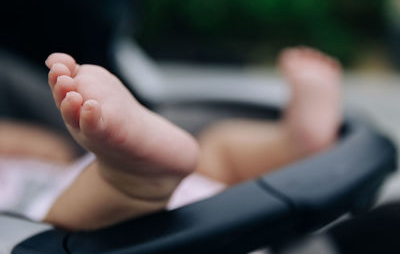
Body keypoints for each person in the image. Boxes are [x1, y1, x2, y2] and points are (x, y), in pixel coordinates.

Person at [0, 47, 341, 230]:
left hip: (201, 202)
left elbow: (51, 149)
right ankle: (133, 175)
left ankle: (294, 145)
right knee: (78, 210)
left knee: (217, 151)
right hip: (51, 218)